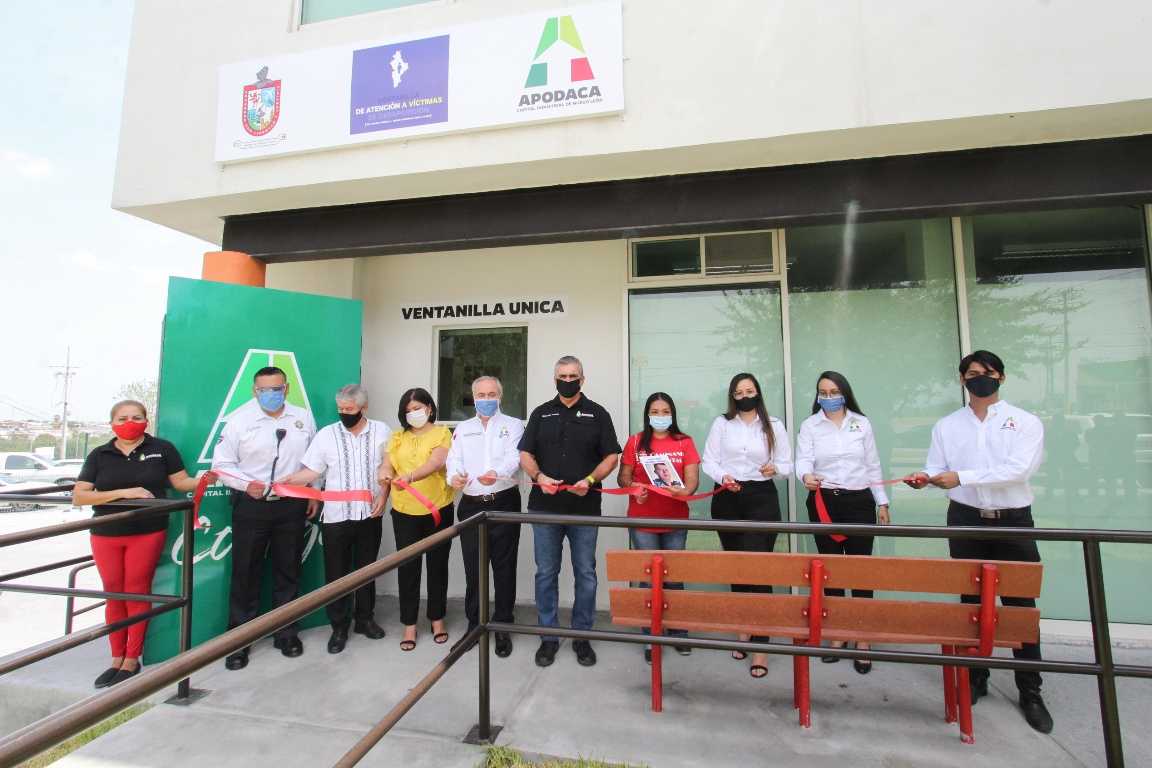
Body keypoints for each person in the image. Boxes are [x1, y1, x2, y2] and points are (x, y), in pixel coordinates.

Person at [904, 350, 1053, 734]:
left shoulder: (1024, 422)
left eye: (988, 372)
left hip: (1013, 523)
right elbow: (938, 468)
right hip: (966, 521)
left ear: (1001, 377)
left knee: (1020, 608)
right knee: (970, 603)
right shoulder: (947, 426)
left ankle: (1031, 691)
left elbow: (1018, 471)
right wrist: (926, 478)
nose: (980, 378)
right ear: (962, 380)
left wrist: (962, 477)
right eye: (972, 373)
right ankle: (975, 678)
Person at [73, 400, 214, 688]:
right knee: (113, 593)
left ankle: (131, 658)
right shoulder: (100, 454)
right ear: (112, 423)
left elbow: (181, 483)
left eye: (137, 417)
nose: (130, 423)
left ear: (146, 420)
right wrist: (124, 493)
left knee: (137, 591)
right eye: (122, 418)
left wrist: (205, 480)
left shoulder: (162, 448)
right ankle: (115, 657)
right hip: (105, 532)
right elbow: (80, 496)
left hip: (148, 531)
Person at [212, 366, 318, 670]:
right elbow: (222, 464)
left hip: (291, 505)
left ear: (286, 389)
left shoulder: (302, 418)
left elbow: (314, 460)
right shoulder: (238, 422)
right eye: (264, 390)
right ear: (255, 391)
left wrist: (313, 492)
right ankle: (239, 641)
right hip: (251, 505)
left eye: (276, 389)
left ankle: (286, 633)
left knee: (288, 571)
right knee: (245, 574)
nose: (271, 394)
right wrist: (247, 485)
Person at [520, 355, 621, 669]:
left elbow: (611, 457)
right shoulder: (541, 413)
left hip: (584, 509)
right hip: (544, 509)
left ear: (582, 379)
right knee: (546, 573)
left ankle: (582, 636)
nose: (568, 381)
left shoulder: (598, 413)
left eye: (573, 376)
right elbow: (525, 454)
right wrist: (539, 477)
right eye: (562, 376)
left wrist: (590, 480)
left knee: (586, 574)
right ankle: (548, 638)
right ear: (555, 380)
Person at [277, 384, 392, 654]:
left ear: (364, 408)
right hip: (336, 517)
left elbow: (389, 469)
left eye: (349, 409)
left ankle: (365, 619)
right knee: (336, 573)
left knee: (367, 569)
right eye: (340, 409)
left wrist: (384, 496)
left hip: (370, 514)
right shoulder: (326, 435)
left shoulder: (382, 431)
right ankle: (339, 626)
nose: (344, 413)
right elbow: (312, 472)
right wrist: (286, 482)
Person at [795, 371, 890, 674]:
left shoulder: (861, 423)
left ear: (845, 393)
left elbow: (873, 465)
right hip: (824, 501)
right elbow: (803, 461)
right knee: (831, 569)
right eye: (823, 392)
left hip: (859, 501)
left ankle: (862, 636)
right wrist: (806, 475)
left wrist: (882, 501)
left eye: (834, 392)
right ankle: (837, 633)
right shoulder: (810, 425)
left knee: (860, 570)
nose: (829, 397)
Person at [702, 372, 792, 679]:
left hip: (761, 498)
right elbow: (709, 460)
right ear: (732, 396)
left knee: (759, 568)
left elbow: (788, 465)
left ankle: (762, 645)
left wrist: (775, 468)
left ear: (758, 393)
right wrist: (722, 477)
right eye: (739, 393)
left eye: (750, 391)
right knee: (737, 566)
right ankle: (744, 627)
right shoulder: (722, 423)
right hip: (727, 496)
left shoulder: (774, 425)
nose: (745, 397)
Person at [617, 392, 700, 663]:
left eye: (665, 412)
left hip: (675, 519)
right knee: (649, 579)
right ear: (647, 414)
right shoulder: (635, 442)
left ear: (673, 414)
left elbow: (692, 479)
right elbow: (623, 476)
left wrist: (684, 491)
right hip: (643, 519)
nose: (660, 417)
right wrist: (634, 487)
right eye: (655, 412)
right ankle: (651, 636)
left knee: (674, 577)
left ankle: (678, 631)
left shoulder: (684, 441)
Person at [446, 376, 525, 657]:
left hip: (503, 503)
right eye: (481, 395)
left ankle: (503, 626)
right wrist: (454, 476)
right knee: (474, 569)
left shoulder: (513, 425)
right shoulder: (463, 428)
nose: (486, 399)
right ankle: (475, 626)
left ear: (500, 397)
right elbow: (454, 459)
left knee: (504, 567)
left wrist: (497, 473)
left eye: (492, 394)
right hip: (471, 506)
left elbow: (514, 457)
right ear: (474, 398)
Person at [379, 388, 454, 651]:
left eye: (417, 408)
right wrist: (383, 473)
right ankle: (409, 623)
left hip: (437, 510)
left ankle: (437, 618)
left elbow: (436, 463)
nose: (413, 414)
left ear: (429, 408)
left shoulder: (442, 433)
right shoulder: (397, 436)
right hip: (404, 511)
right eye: (408, 411)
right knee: (408, 568)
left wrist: (410, 476)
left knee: (437, 566)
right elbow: (387, 464)